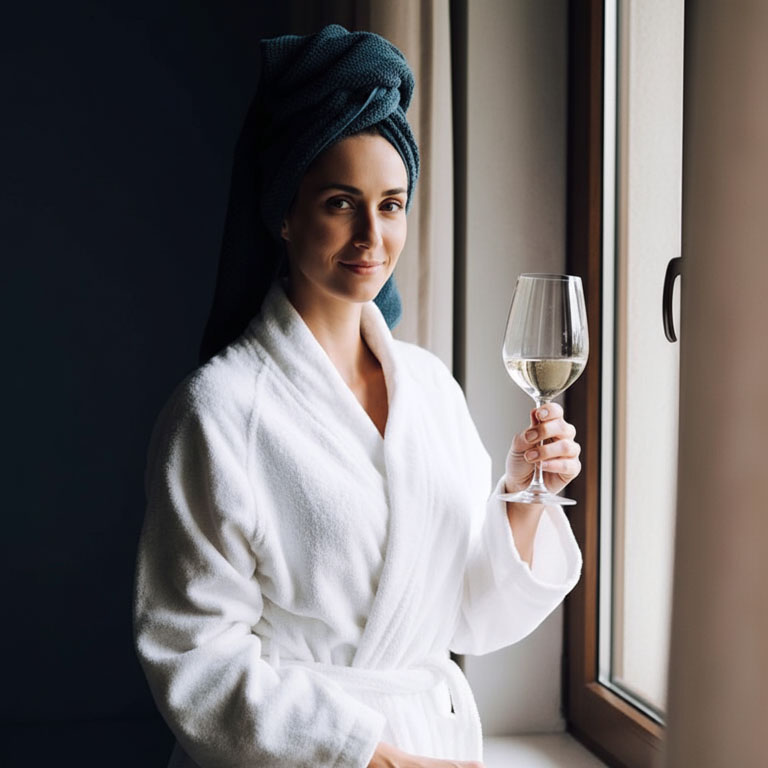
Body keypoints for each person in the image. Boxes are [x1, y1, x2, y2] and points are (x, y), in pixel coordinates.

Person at [133, 24, 582, 768]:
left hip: (434, 743)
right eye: (342, 203)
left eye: (392, 204)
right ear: (284, 211)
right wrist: (373, 758)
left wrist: (523, 500)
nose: (372, 235)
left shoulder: (430, 389)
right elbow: (193, 658)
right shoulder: (215, 413)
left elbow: (468, 617)